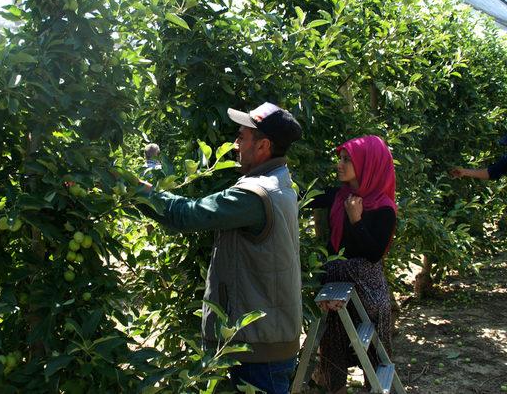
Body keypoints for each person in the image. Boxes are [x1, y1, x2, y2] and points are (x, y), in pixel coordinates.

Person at [139, 102, 303, 394]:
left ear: (263, 145)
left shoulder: (255, 195)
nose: (235, 144)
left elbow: (186, 214)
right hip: (267, 339)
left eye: (242, 137)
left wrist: (134, 189)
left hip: (257, 348)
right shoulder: (278, 181)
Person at [308, 135, 397, 394]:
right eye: (341, 158)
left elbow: (372, 253)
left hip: (366, 291)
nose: (339, 164)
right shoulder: (340, 196)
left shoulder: (383, 208)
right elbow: (305, 197)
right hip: (336, 285)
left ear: (368, 164)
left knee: (374, 357)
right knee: (332, 347)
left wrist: (356, 220)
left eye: (348, 159)